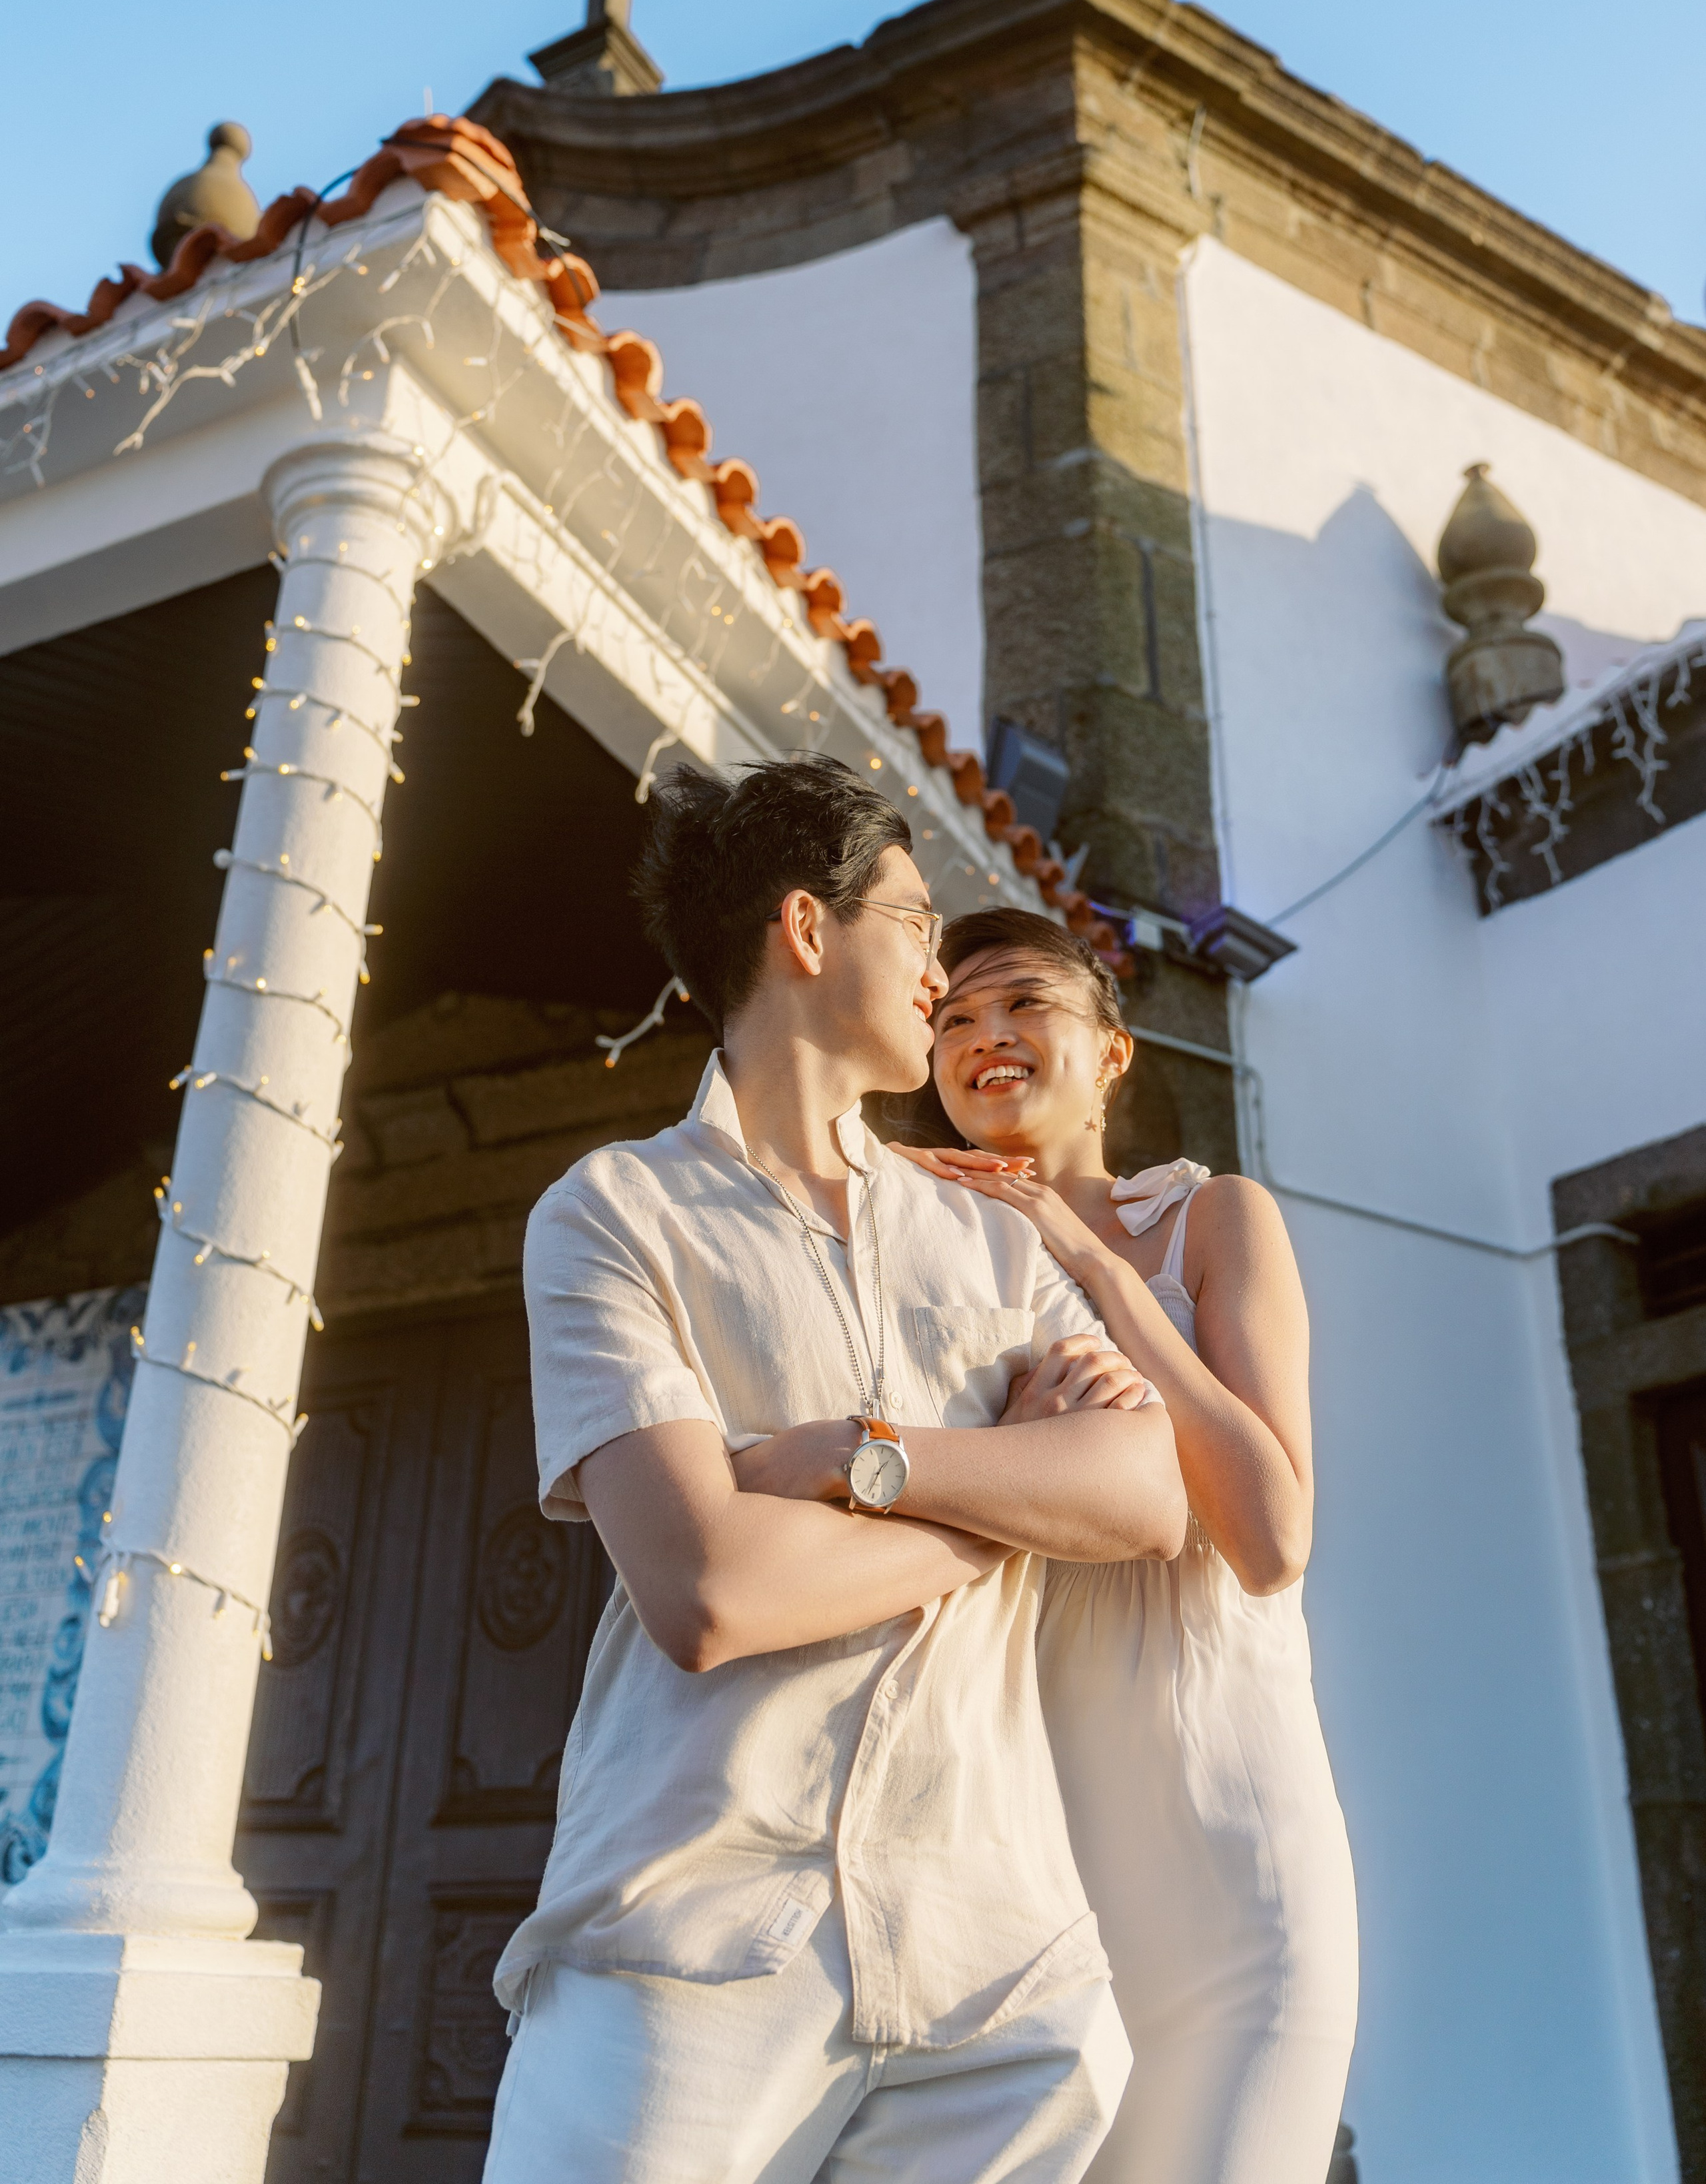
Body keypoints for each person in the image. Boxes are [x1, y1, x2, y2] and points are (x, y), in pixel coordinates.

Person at [482, 760, 1188, 2184]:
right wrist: (1003, 1508)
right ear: (807, 927)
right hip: (688, 1947)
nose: (940, 971)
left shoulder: (991, 1226)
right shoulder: (613, 1213)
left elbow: (1145, 1496)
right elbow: (707, 1591)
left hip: (999, 1975)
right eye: (918, 923)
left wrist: (858, 1466)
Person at [898, 907, 1359, 2184]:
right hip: (1015, 1890)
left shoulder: (1213, 1220)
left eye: (1022, 1003)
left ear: (1111, 1052)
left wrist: (1096, 1269)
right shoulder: (914, 1250)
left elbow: (1270, 1537)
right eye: (952, 1018)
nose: (984, 1035)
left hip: (1232, 1869)